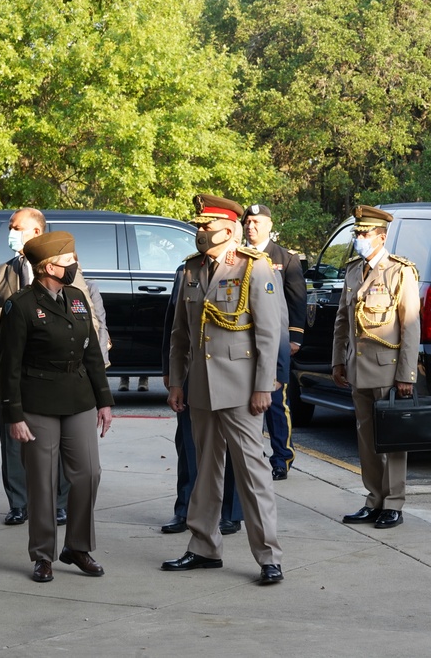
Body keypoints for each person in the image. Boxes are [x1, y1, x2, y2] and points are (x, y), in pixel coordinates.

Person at [161, 193, 284, 585]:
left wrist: (263, 386)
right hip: (201, 386)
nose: (200, 231)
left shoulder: (254, 267)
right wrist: (176, 381)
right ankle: (203, 547)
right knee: (205, 472)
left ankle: (269, 557)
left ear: (229, 229)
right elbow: (180, 334)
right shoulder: (192, 269)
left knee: (252, 474)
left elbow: (269, 334)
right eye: (198, 225)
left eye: (206, 225)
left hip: (242, 389)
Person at [0, 231, 114, 583]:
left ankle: (77, 547)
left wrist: (104, 401)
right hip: (39, 402)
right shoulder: (20, 305)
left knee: (88, 474)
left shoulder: (76, 297)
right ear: (49, 267)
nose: (74, 264)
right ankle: (43, 554)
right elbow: (8, 366)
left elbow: (91, 353)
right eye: (68, 260)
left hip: (78, 398)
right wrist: (14, 414)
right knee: (43, 482)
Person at [333, 205, 420, 529]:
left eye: (364, 233)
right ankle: (374, 499)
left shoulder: (399, 271)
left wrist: (406, 375)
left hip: (388, 368)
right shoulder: (353, 271)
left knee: (393, 439)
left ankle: (393, 503)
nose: (359, 237)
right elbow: (342, 321)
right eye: (357, 232)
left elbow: (410, 326)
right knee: (366, 439)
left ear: (381, 237)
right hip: (358, 368)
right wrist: (338, 361)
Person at [160, 263, 244, 536]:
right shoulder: (188, 270)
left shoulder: (251, 267)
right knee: (188, 443)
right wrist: (171, 372)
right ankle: (186, 508)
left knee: (234, 446)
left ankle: (230, 512)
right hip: (193, 369)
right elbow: (175, 325)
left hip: (234, 372)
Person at [243, 203, 306, 480]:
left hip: (276, 340)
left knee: (276, 403)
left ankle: (281, 457)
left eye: (256, 222)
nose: (251, 226)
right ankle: (252, 456)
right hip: (244, 343)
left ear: (269, 225)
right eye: (247, 222)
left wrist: (295, 337)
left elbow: (296, 300)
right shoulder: (237, 256)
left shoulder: (285, 258)